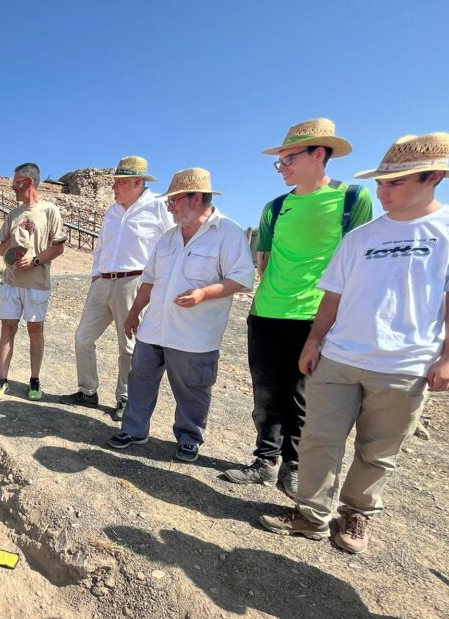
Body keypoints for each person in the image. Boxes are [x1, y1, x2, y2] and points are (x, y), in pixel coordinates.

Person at [260, 132, 449, 554]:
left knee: (378, 449)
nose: (383, 192)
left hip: (405, 363)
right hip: (340, 355)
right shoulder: (361, 237)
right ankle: (310, 514)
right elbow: (333, 295)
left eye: (395, 183)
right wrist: (314, 341)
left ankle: (356, 513)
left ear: (433, 178)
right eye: (381, 183)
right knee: (318, 438)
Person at [222, 119, 372, 496]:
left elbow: (358, 264)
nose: (281, 167)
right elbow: (264, 261)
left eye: (288, 159)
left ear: (318, 153)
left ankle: (294, 466)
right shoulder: (275, 207)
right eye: (280, 160)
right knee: (266, 394)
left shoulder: (353, 199)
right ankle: (265, 461)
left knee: (303, 398)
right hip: (265, 313)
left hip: (315, 318)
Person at [106, 168, 254, 462]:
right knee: (140, 379)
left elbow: (241, 278)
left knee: (192, 390)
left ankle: (189, 438)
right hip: (154, 328)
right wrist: (134, 313)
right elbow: (149, 280)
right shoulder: (169, 238)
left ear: (196, 198)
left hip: (195, 334)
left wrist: (203, 294)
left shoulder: (228, 233)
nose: (169, 206)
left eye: (174, 200)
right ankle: (134, 430)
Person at [61, 156, 174, 420]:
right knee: (83, 337)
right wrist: (95, 276)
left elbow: (171, 244)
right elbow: (101, 246)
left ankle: (125, 398)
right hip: (103, 281)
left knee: (129, 345)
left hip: (134, 281)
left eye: (120, 182)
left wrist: (159, 281)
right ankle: (87, 391)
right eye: (114, 182)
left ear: (137, 182)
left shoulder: (158, 206)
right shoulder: (112, 211)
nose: (114, 187)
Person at [0, 162, 67, 401]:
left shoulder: (50, 211)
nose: (13, 187)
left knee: (35, 330)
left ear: (29, 182)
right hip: (11, 283)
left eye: (16, 183)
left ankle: (34, 381)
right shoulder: (13, 214)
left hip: (37, 284)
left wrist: (35, 261)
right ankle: (2, 380)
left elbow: (58, 247)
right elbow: (1, 250)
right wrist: (12, 240)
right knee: (7, 329)